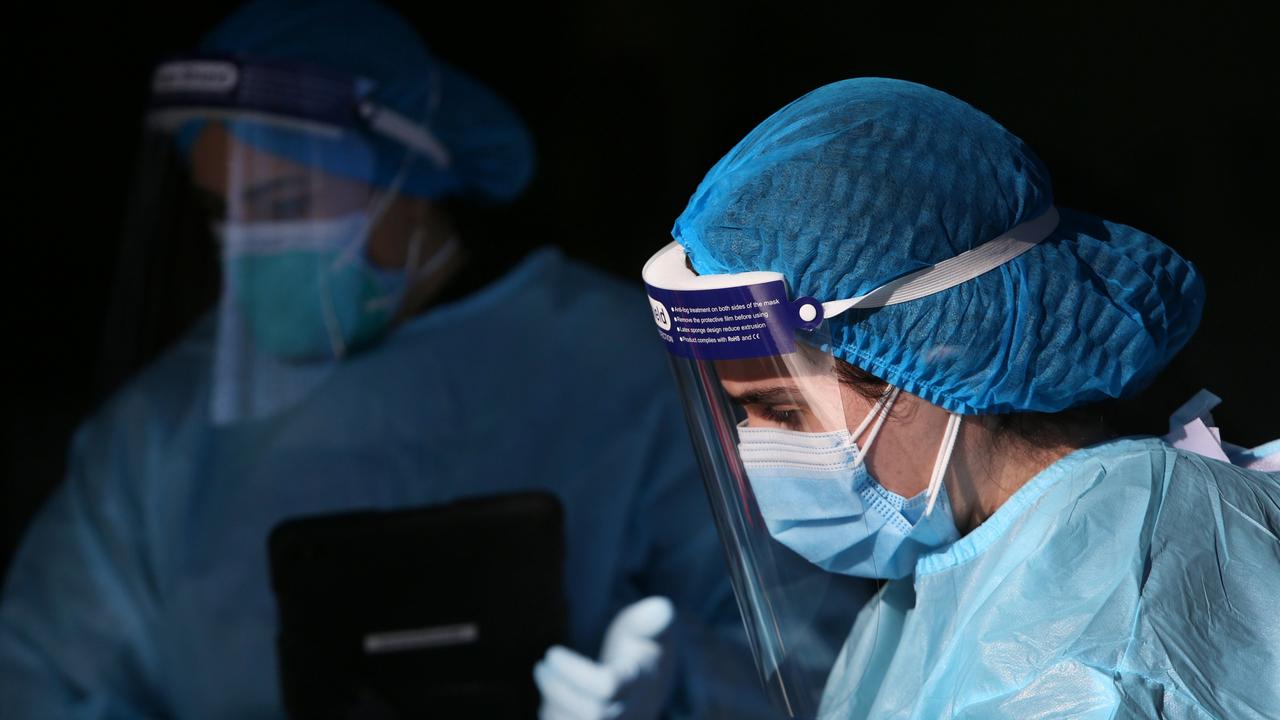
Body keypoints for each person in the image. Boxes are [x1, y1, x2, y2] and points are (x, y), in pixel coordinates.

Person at [0, 2, 782, 718]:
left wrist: (680, 685)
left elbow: (805, 659)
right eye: (221, 211)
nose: (247, 245)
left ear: (410, 177)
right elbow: (41, 676)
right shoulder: (160, 434)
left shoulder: (625, 371)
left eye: (278, 204)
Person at [640, 77, 1280, 719]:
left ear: (936, 354)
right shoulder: (979, 562)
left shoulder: (1091, 657)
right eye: (741, 413)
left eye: (783, 410)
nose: (760, 451)